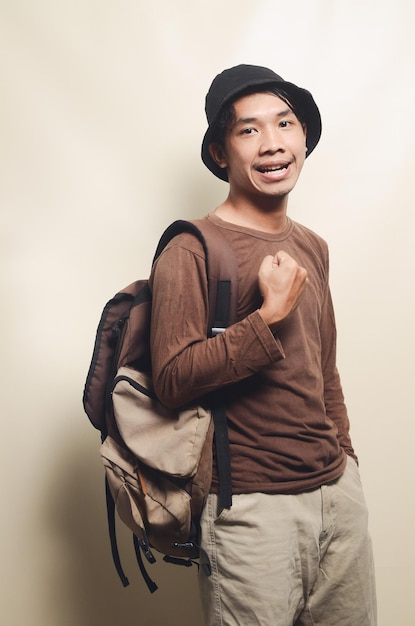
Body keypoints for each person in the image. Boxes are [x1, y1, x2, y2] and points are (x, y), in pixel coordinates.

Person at [149, 64, 377, 626]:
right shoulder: (192, 247)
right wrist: (268, 317)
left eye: (285, 124)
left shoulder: (312, 246)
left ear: (304, 137)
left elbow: (324, 371)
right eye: (248, 130)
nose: (272, 144)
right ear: (222, 152)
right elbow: (172, 378)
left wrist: (346, 464)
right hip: (248, 509)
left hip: (335, 495)